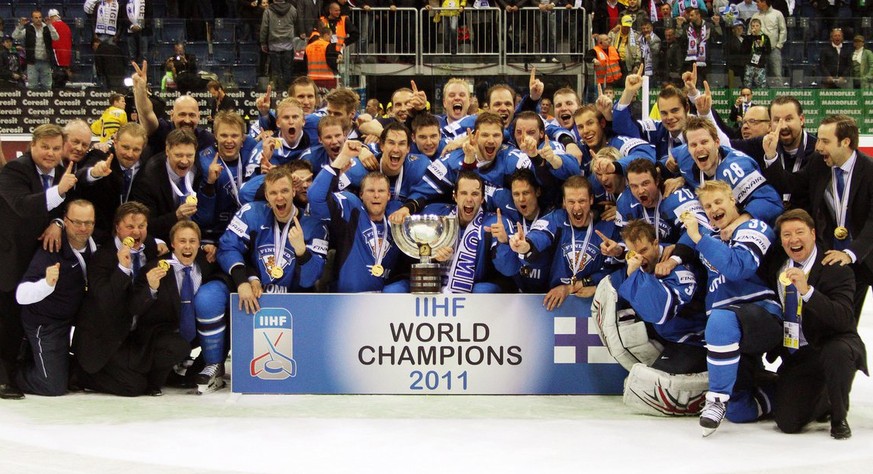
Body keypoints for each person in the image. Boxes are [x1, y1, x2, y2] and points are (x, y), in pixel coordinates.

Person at [680, 180, 782, 437]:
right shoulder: (711, 237)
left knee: (721, 318)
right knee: (738, 411)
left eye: (718, 201)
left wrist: (697, 237)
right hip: (728, 329)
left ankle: (715, 400)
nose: (713, 208)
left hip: (761, 314)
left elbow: (738, 268)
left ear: (732, 200)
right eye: (707, 205)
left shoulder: (754, 227)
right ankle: (783, 391)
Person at [760, 209, 868, 440]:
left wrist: (807, 292)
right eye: (786, 235)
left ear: (813, 233)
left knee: (837, 352)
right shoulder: (777, 265)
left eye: (800, 232)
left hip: (833, 342)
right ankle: (824, 396)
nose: (794, 239)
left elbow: (844, 319)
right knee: (787, 423)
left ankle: (838, 417)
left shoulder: (835, 267)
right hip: (799, 353)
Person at [762, 114, 873, 324]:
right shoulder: (819, 163)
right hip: (833, 257)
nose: (819, 146)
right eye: (818, 139)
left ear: (846, 142)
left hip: (866, 255)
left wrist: (850, 253)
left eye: (825, 141)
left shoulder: (869, 171)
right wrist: (771, 156)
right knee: (842, 323)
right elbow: (790, 185)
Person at [71, 202, 184, 397]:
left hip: (134, 334)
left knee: (178, 347)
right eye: (130, 227)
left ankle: (138, 372)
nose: (136, 232)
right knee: (135, 386)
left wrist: (208, 250)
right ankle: (80, 374)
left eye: (141, 226)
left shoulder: (148, 246)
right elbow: (105, 301)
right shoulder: (102, 258)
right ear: (117, 228)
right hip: (105, 337)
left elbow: (173, 247)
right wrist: (123, 270)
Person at [0, 124, 77, 400]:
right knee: (7, 318)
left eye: (56, 148)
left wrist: (58, 222)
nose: (50, 153)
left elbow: (65, 207)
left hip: (40, 255)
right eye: (45, 147)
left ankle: (25, 366)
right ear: (32, 146)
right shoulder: (15, 171)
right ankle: (3, 378)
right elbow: (22, 205)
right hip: (11, 256)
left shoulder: (61, 171)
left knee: (27, 317)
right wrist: (59, 191)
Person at [211, 166, 328, 317]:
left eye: (284, 191)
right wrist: (242, 281)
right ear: (266, 196)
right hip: (256, 295)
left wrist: (301, 251)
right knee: (209, 299)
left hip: (295, 302)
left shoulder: (315, 226)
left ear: (293, 192)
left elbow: (309, 280)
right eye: (273, 192)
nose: (279, 197)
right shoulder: (251, 213)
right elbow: (228, 247)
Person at [137, 221, 229, 393]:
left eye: (192, 241)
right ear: (172, 243)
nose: (187, 246)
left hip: (193, 329)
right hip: (163, 333)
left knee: (227, 323)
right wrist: (151, 288)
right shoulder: (154, 268)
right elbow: (138, 308)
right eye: (182, 241)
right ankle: (153, 380)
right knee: (177, 347)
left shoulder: (207, 261)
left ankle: (205, 368)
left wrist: (214, 250)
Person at [15, 200, 96, 396]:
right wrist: (47, 285)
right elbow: (21, 294)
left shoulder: (98, 244)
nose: (83, 228)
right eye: (77, 222)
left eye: (88, 223)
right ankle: (11, 373)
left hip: (75, 322)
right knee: (52, 386)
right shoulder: (51, 249)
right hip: (46, 323)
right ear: (65, 221)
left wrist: (157, 243)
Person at [309, 140, 408, 292]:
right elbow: (315, 197)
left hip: (386, 306)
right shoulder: (351, 208)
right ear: (361, 194)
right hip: (348, 304)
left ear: (389, 195)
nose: (376, 196)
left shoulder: (396, 215)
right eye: (370, 191)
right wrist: (342, 158)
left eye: (381, 191)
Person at [509, 176, 619, 309]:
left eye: (582, 201)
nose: (577, 207)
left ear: (591, 200)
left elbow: (620, 270)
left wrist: (591, 285)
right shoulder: (556, 219)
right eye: (571, 201)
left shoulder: (608, 226)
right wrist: (525, 246)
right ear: (564, 203)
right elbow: (540, 236)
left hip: (599, 300)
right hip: (557, 301)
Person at [672, 116, 783, 226]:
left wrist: (738, 223)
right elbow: (673, 155)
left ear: (717, 142)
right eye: (693, 145)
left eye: (704, 142)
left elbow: (772, 202)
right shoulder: (685, 157)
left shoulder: (736, 167)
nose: (699, 148)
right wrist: (669, 172)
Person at [422, 171, 516, 293]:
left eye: (475, 194)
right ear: (455, 196)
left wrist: (504, 242)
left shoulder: (496, 224)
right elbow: (411, 259)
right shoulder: (435, 215)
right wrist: (433, 257)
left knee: (481, 290)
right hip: (438, 286)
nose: (469, 199)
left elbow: (510, 269)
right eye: (464, 193)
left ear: (482, 198)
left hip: (478, 290)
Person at [128, 128, 215, 243]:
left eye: (189, 155)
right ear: (167, 151)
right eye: (179, 155)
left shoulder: (200, 168)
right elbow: (146, 225)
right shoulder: (147, 179)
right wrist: (176, 216)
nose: (184, 161)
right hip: (162, 240)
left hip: (194, 237)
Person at [78, 123, 149, 243]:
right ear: (115, 143)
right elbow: (81, 176)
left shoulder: (147, 163)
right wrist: (95, 172)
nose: (130, 154)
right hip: (100, 237)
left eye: (136, 149)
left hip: (134, 235)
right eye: (125, 147)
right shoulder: (100, 155)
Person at [131, 60, 216, 155]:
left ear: (199, 117)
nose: (187, 120)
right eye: (182, 114)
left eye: (192, 115)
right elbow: (146, 114)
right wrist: (140, 90)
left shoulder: (207, 140)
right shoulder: (162, 131)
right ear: (172, 115)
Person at [11, 10, 59, 90]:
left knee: (47, 86)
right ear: (32, 19)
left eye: (40, 17)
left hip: (45, 61)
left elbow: (56, 38)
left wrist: (50, 25)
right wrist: (20, 26)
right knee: (32, 86)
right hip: (32, 62)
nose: (38, 19)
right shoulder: (28, 29)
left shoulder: (47, 28)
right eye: (36, 18)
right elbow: (15, 36)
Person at [260, 0, 297, 93]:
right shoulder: (292, 9)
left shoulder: (268, 10)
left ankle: (278, 91)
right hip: (288, 44)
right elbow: (296, 22)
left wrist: (263, 42)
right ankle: (287, 91)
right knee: (288, 69)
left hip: (273, 44)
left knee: (276, 70)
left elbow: (264, 27)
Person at [751, 0, 786, 87]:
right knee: (759, 74)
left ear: (764, 2)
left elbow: (783, 30)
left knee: (777, 73)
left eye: (758, 2)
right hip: (758, 51)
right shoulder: (755, 16)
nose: (756, 4)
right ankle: (762, 96)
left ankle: (780, 97)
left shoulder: (777, 14)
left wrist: (779, 45)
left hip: (774, 49)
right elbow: (750, 31)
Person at [306, 23, 342, 90]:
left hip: (312, 78)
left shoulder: (309, 46)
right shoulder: (328, 45)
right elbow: (331, 62)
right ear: (325, 35)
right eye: (330, 37)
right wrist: (338, 60)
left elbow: (305, 63)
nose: (330, 39)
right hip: (327, 78)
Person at [46, 9, 71, 88]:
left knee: (57, 79)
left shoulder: (52, 26)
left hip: (56, 55)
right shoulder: (66, 26)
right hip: (67, 56)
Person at [742, 19, 770, 89]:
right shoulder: (747, 38)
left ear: (760, 27)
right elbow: (743, 51)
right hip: (749, 65)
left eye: (757, 26)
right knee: (747, 85)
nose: (755, 27)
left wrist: (762, 46)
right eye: (753, 26)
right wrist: (752, 38)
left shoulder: (765, 38)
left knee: (761, 86)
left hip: (760, 65)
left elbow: (768, 51)